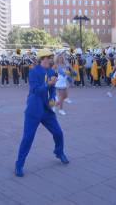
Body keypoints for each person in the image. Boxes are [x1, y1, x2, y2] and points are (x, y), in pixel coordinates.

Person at [15, 49, 69, 177]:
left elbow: (53, 89)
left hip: (46, 110)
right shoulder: (33, 72)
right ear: (41, 59)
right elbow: (35, 90)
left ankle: (59, 152)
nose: (49, 59)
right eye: (47, 57)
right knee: (28, 138)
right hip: (33, 110)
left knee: (58, 132)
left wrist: (52, 98)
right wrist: (47, 84)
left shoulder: (51, 71)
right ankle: (19, 165)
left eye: (50, 57)